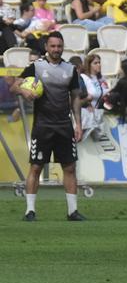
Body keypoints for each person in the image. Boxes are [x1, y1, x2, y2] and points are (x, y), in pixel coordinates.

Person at [11, 32, 85, 222]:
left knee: (69, 168)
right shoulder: (36, 67)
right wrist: (23, 91)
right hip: (42, 126)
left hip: (64, 125)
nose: (56, 50)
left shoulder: (70, 69)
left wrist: (78, 123)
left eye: (59, 46)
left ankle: (72, 212)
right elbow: (13, 86)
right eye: (53, 46)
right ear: (46, 47)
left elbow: (75, 97)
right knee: (35, 167)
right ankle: (30, 211)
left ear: (63, 47)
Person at [80, 53, 109, 140]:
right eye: (95, 63)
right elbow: (78, 96)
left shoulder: (101, 79)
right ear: (89, 65)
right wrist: (86, 104)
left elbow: (105, 93)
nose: (99, 65)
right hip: (86, 114)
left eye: (99, 62)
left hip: (98, 113)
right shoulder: (83, 77)